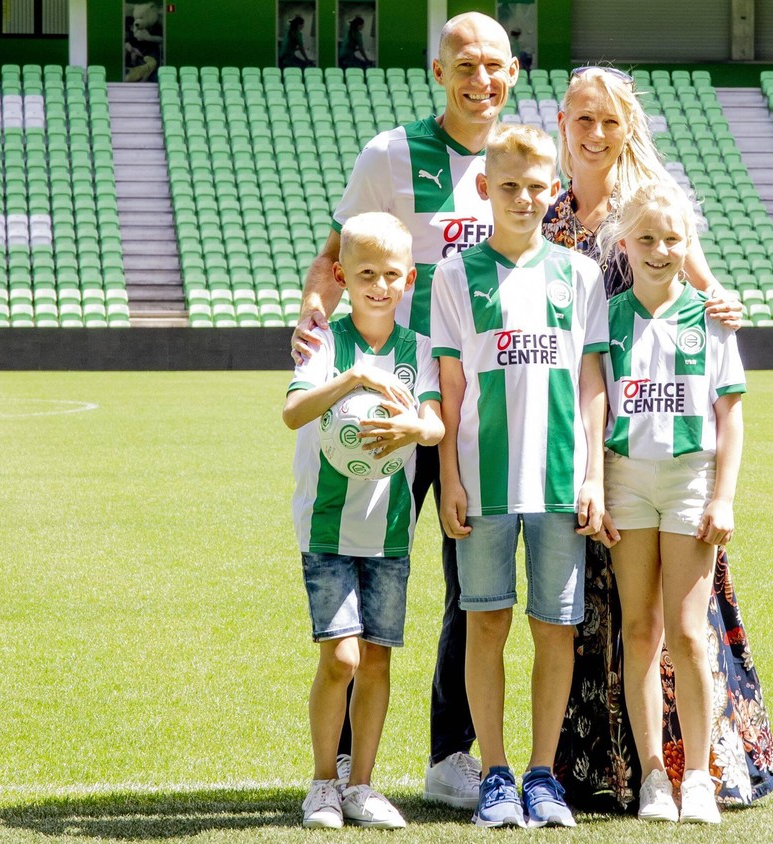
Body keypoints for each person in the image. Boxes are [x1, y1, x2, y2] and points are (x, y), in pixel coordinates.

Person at [294, 11, 519, 812]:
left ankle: (448, 755)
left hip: (481, 408)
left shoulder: (516, 165)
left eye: (495, 64)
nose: (480, 77)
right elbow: (333, 256)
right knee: (363, 569)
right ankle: (342, 774)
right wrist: (313, 319)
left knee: (471, 583)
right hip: (392, 402)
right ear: (438, 70)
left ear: (513, 74)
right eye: (465, 62)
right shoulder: (390, 155)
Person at [544, 65, 773, 811]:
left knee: (685, 626)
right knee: (616, 619)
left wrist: (721, 301)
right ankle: (625, 771)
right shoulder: (545, 217)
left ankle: (699, 768)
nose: (596, 131)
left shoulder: (654, 206)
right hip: (596, 446)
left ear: (628, 125)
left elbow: (701, 289)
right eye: (584, 118)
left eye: (610, 119)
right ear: (563, 123)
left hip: (674, 455)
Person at [430, 123, 607, 829]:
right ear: (484, 190)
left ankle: (542, 774)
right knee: (485, 623)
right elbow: (447, 391)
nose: (524, 199)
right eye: (509, 187)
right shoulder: (454, 275)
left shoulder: (580, 275)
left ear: (552, 191)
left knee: (555, 629)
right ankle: (495, 773)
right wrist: (448, 475)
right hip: (483, 481)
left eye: (537, 188)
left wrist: (592, 474)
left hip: (562, 483)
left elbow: (592, 381)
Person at [283, 212, 445, 830]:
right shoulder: (323, 343)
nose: (379, 285)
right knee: (342, 658)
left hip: (390, 530)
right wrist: (354, 377)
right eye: (366, 273)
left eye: (391, 275)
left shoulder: (420, 351)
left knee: (376, 658)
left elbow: (433, 423)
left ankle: (361, 786)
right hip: (327, 524)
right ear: (343, 277)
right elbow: (295, 413)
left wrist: (414, 427)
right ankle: (322, 783)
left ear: (408, 280)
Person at [593, 182, 745, 824]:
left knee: (687, 634)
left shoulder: (710, 318)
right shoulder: (606, 316)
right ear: (624, 243)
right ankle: (653, 774)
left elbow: (731, 417)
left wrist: (724, 498)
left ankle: (700, 778)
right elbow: (591, 404)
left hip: (689, 483)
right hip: (627, 481)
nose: (660, 250)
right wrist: (595, 487)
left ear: (690, 245)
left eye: (673, 239)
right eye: (647, 239)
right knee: (638, 630)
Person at [124, 2, 164, 83]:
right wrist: (131, 49)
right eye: (136, 18)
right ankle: (134, 69)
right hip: (137, 54)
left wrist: (149, 38)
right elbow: (130, 41)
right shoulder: (135, 30)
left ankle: (137, 73)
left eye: (141, 18)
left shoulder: (156, 28)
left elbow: (161, 39)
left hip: (150, 53)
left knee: (152, 62)